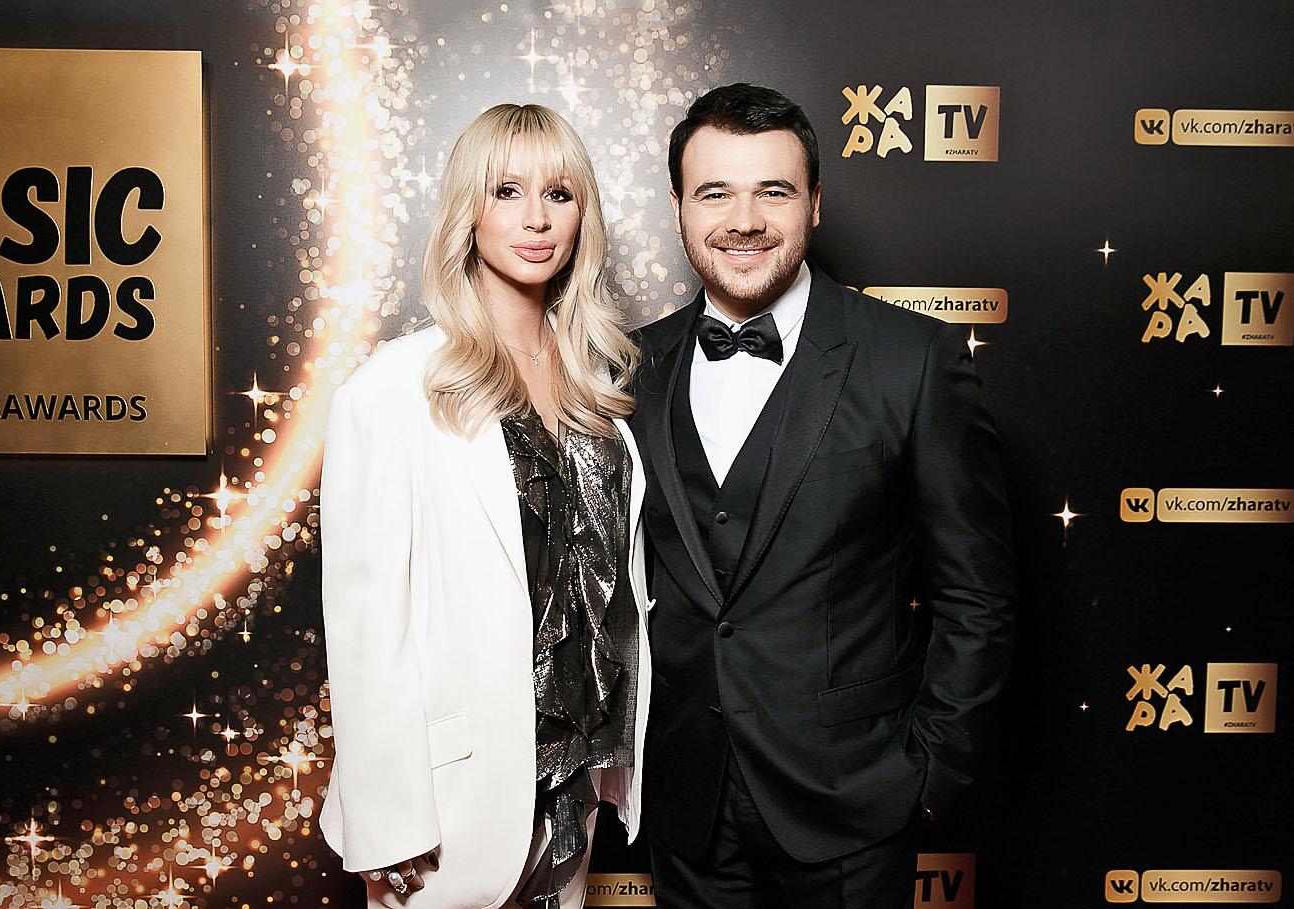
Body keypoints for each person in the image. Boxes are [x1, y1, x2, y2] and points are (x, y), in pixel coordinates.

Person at [628, 83, 1016, 908]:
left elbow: (977, 594)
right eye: (714, 193)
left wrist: (929, 771)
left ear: (814, 204)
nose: (744, 220)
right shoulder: (628, 367)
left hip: (854, 806)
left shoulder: (913, 359)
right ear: (678, 209)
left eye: (773, 191)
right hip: (684, 805)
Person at [317, 103, 652, 909]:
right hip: (445, 807)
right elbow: (366, 622)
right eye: (507, 190)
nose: (536, 218)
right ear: (468, 210)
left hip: (573, 787)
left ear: (583, 215)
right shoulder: (393, 389)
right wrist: (387, 820)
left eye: (559, 194)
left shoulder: (596, 393)